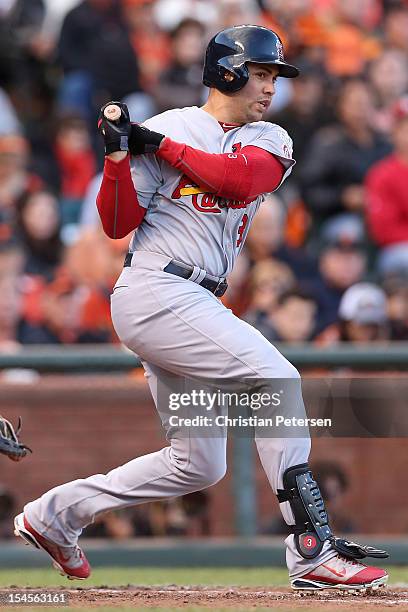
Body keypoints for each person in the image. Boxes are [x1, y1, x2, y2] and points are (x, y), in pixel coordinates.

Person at [14, 25, 388, 592]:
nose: (269, 88)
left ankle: (53, 515)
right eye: (261, 74)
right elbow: (116, 223)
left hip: (193, 300)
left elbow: (237, 182)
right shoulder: (169, 126)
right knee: (278, 380)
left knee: (198, 464)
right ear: (230, 71)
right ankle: (311, 545)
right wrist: (118, 156)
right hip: (156, 290)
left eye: (272, 77)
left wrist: (151, 144)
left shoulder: (269, 138)